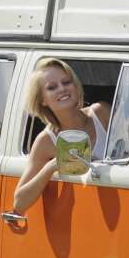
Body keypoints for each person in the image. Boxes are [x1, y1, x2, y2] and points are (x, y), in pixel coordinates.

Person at [13, 58, 111, 213]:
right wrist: (51, 167)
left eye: (66, 82)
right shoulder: (46, 141)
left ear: (76, 86)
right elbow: (19, 203)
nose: (62, 89)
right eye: (52, 87)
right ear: (42, 100)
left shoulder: (102, 113)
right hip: (78, 219)